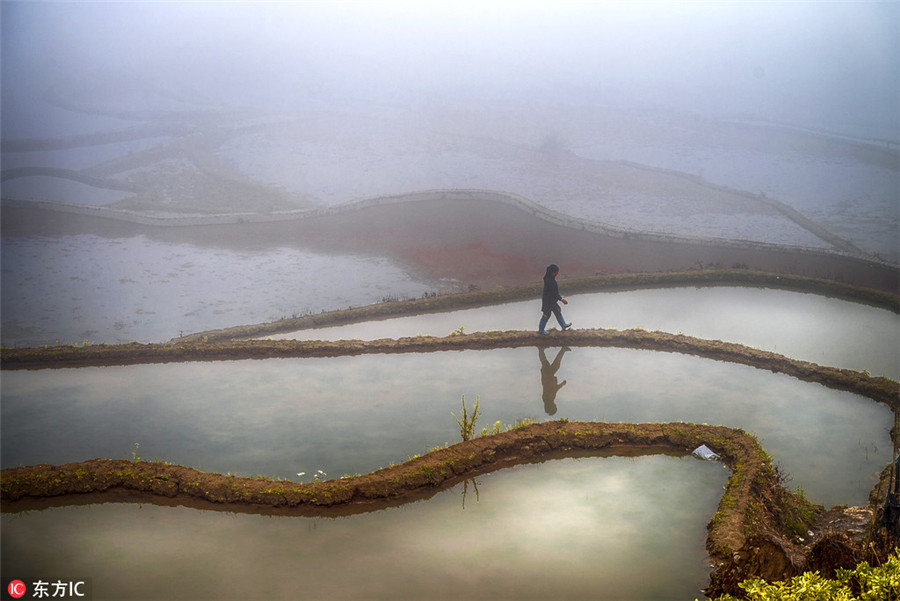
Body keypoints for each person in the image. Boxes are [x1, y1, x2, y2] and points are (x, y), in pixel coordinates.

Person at [539, 264, 572, 335]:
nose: (557, 273)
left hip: (552, 301)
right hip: (548, 301)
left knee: (557, 311)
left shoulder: (550, 279)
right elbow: (554, 293)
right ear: (553, 272)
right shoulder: (549, 281)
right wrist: (562, 299)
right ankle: (541, 330)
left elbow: (554, 293)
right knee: (546, 315)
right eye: (556, 272)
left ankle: (563, 325)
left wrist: (559, 299)